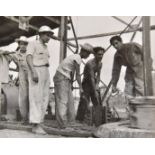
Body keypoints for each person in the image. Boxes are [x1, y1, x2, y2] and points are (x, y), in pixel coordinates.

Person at [53, 43, 93, 129]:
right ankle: (62, 124)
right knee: (63, 101)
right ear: (83, 52)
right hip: (61, 77)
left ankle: (71, 122)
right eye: (88, 53)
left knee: (70, 101)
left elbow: (72, 72)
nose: (88, 56)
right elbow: (78, 74)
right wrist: (81, 88)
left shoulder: (75, 57)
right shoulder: (77, 58)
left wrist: (70, 83)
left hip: (66, 78)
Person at [26, 25, 54, 134]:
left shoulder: (45, 47)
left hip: (45, 71)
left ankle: (39, 123)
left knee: (44, 98)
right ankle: (35, 124)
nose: (49, 37)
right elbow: (28, 57)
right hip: (36, 70)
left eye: (50, 35)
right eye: (47, 35)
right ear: (41, 34)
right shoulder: (33, 44)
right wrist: (33, 71)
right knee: (36, 98)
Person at [76, 47, 105, 127]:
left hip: (93, 82)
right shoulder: (90, 63)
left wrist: (97, 85)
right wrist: (94, 91)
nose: (101, 56)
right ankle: (79, 121)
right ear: (94, 54)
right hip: (86, 84)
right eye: (99, 54)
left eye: (102, 54)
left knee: (98, 102)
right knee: (84, 102)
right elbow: (91, 77)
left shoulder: (100, 63)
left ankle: (98, 123)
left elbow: (98, 76)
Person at [12, 36, 29, 124]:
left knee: (32, 97)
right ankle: (24, 118)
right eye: (22, 44)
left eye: (25, 44)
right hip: (22, 75)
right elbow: (17, 65)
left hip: (31, 75)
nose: (23, 46)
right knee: (23, 97)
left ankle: (32, 118)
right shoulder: (15, 55)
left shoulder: (30, 53)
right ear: (19, 44)